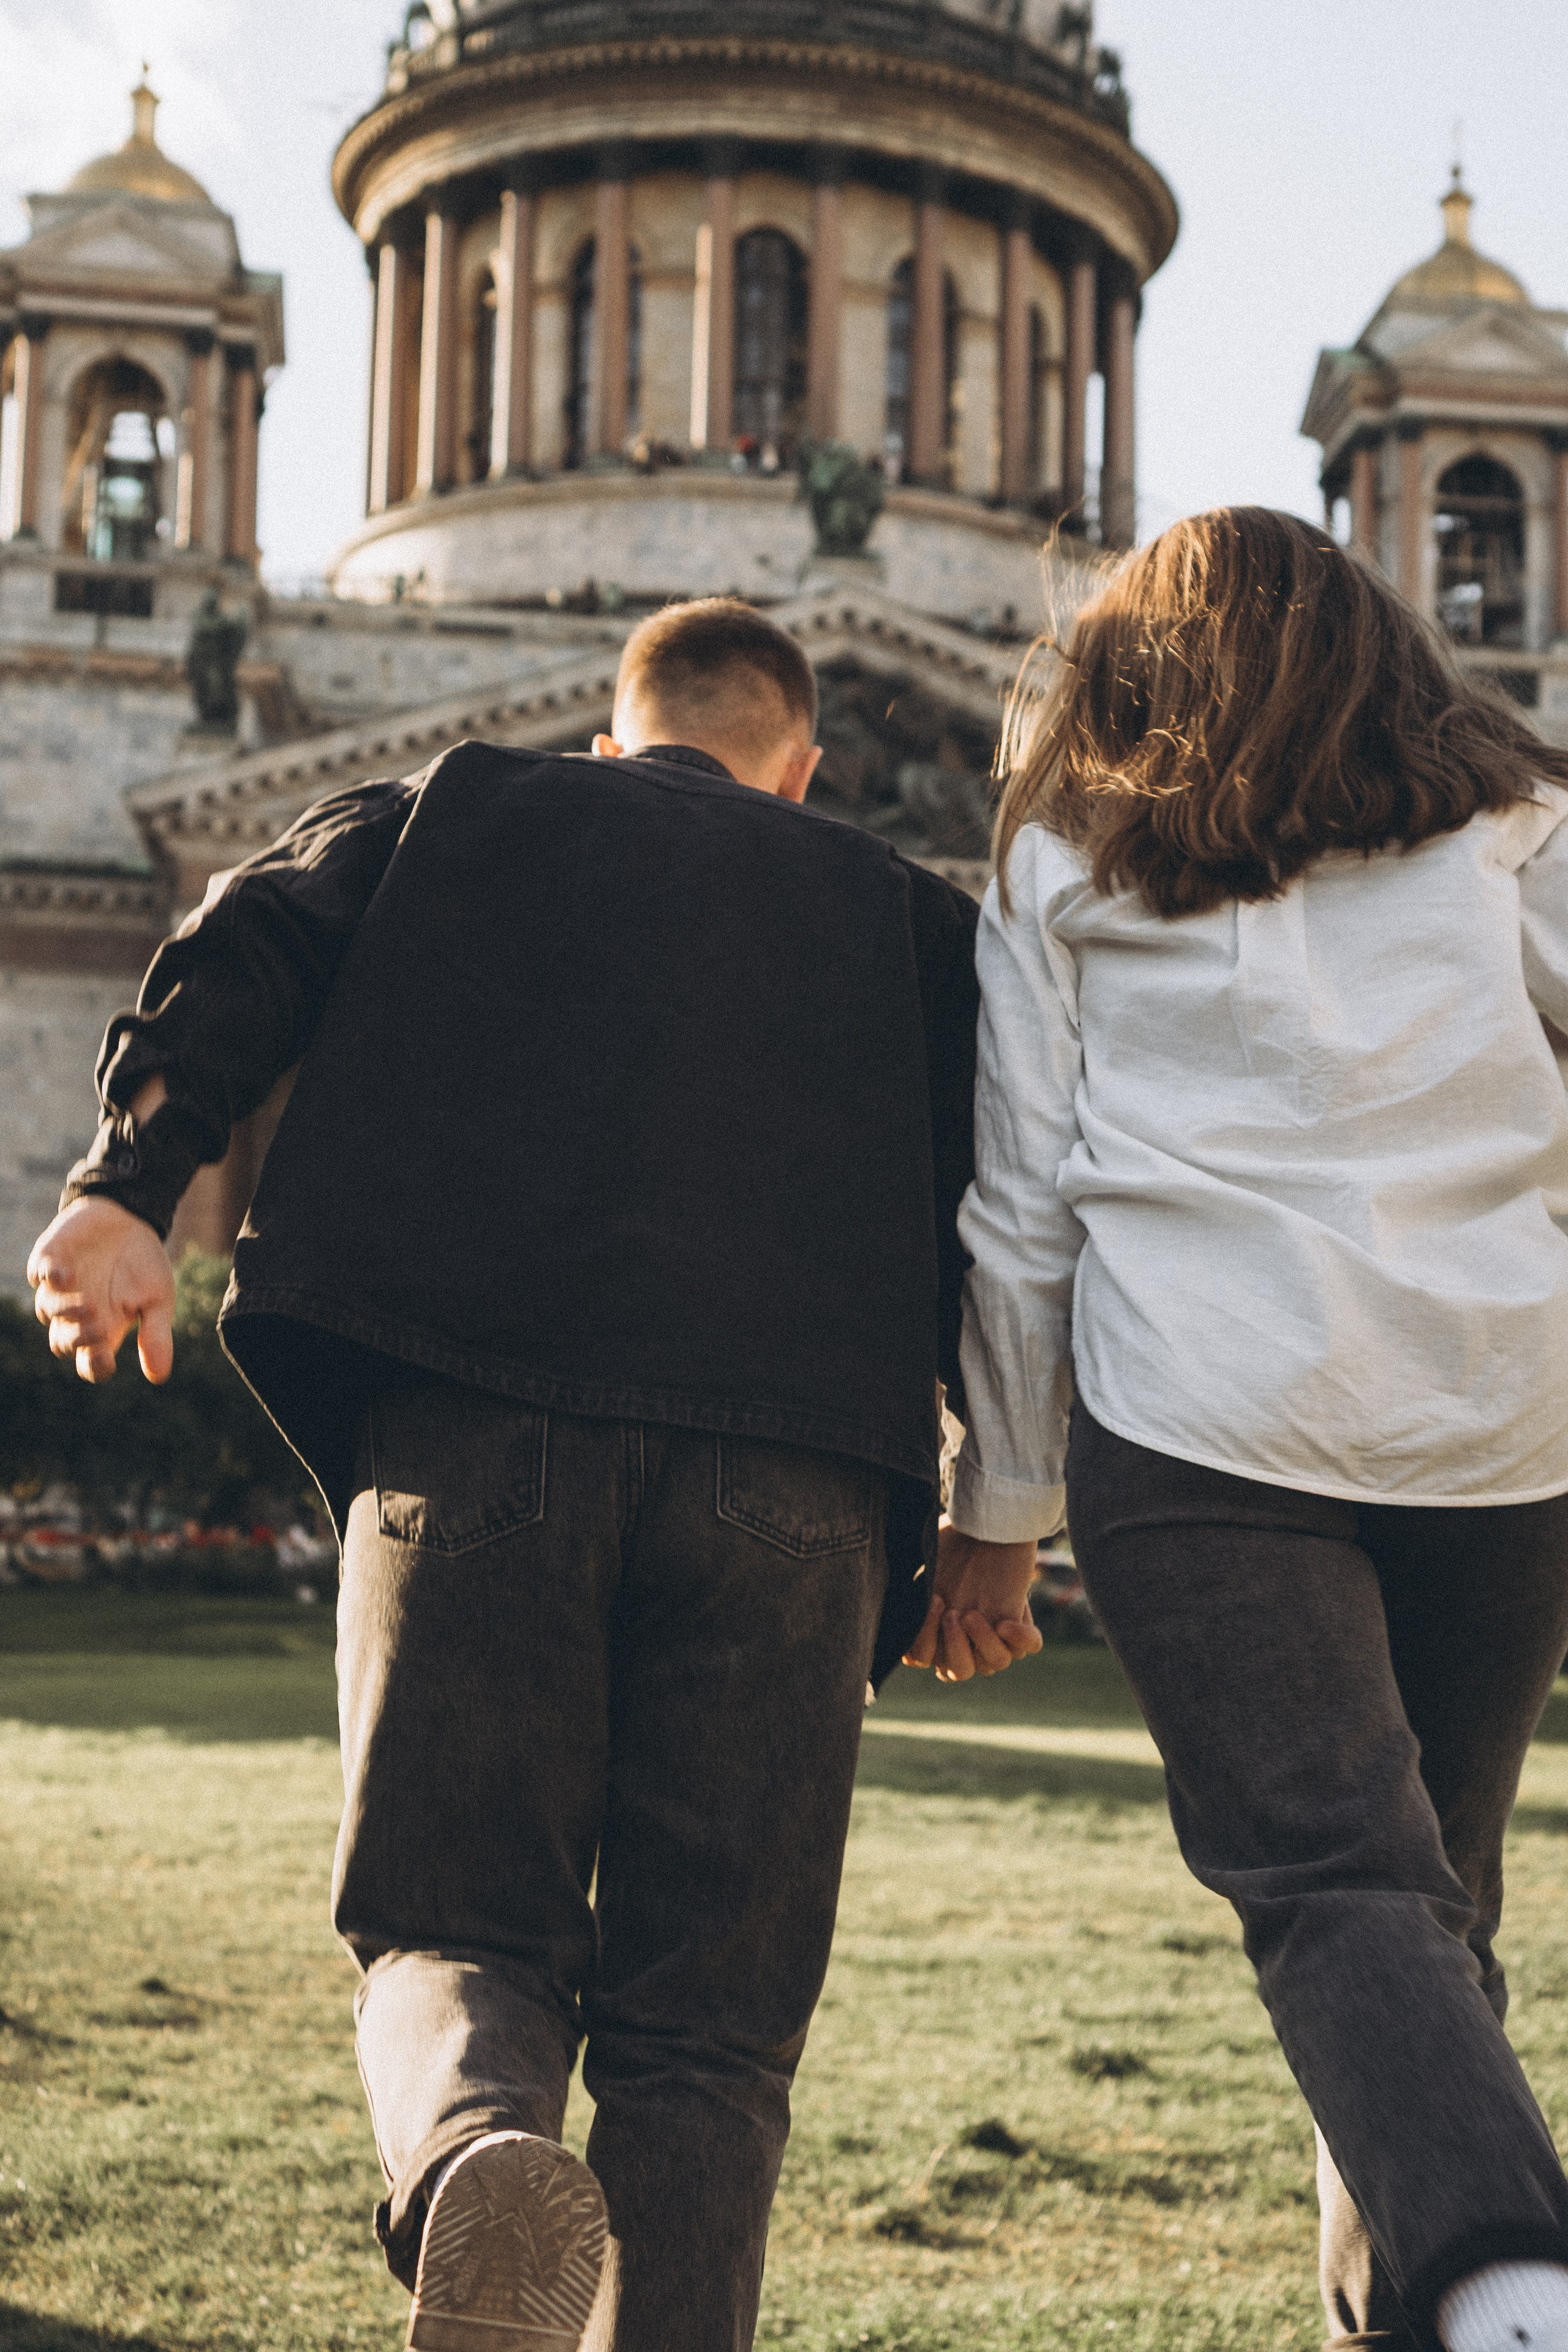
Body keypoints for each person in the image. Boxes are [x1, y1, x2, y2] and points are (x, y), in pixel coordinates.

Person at [27, 597, 1040, 2352]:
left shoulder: (456, 805)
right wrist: (993, 1517)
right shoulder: (914, 924)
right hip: (797, 1486)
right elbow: (1014, 1229)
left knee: (449, 1919)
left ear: (607, 739)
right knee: (711, 2036)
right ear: (800, 773)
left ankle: (477, 2148)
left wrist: (130, 1182)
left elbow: (244, 934)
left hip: (473, 1436)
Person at [944, 508, 1568, 2352]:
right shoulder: (1524, 826)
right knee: (1427, 1906)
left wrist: (1002, 1500)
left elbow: (1023, 1202)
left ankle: (1505, 2288)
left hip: (1205, 1421)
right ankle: (1449, 2305)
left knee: (1338, 1887)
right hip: (1502, 1420)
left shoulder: (1066, 848)